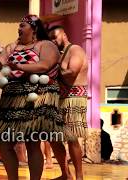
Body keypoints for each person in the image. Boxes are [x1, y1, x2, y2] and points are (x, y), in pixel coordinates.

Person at [0, 15, 70, 180]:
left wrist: (18, 66)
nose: (19, 28)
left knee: (32, 142)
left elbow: (45, 65)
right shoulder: (11, 47)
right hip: (11, 98)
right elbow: (1, 66)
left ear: (34, 28)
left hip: (36, 95)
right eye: (19, 26)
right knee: (3, 142)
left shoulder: (46, 45)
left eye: (22, 25)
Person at [48, 25, 88, 180]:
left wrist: (53, 69)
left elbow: (71, 73)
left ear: (63, 34)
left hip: (73, 99)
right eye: (50, 38)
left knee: (71, 138)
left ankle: (79, 177)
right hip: (60, 99)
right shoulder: (61, 54)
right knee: (52, 137)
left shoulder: (75, 49)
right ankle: (66, 174)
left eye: (54, 36)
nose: (52, 40)